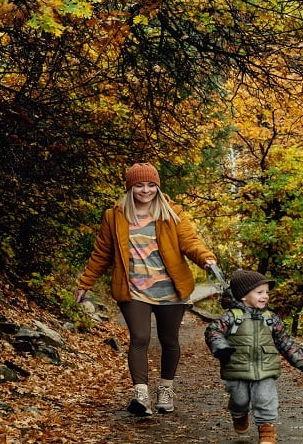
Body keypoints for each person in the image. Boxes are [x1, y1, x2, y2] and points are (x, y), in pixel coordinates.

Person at [75, 162, 217, 416]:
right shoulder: (115, 216)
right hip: (133, 290)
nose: (146, 190)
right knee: (139, 338)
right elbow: (101, 254)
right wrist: (85, 282)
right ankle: (141, 395)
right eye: (140, 185)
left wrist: (205, 258)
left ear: (158, 187)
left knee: (169, 340)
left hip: (171, 289)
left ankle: (165, 390)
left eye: (151, 185)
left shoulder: (171, 212)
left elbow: (190, 242)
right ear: (130, 187)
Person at [205, 269, 303, 444]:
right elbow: (213, 331)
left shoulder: (270, 318)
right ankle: (239, 414)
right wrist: (221, 348)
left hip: (266, 368)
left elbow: (284, 341)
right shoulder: (232, 317)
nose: (265, 296)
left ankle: (267, 432)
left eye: (266, 292)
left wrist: (301, 363)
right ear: (243, 296)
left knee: (265, 398)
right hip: (237, 367)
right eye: (259, 292)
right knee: (239, 399)